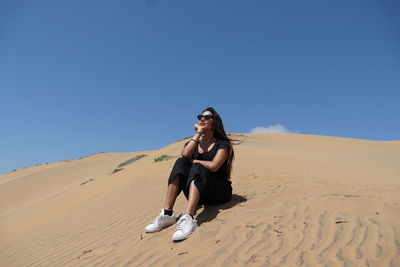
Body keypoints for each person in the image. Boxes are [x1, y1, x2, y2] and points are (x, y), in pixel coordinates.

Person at [145, 107, 234, 241]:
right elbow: (185, 154)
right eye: (200, 117)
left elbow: (214, 166)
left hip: (218, 193)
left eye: (207, 117)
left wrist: (194, 161)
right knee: (181, 162)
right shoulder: (194, 143)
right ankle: (167, 213)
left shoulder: (223, 144)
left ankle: (189, 217)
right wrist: (198, 134)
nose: (202, 119)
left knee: (196, 166)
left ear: (215, 122)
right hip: (200, 195)